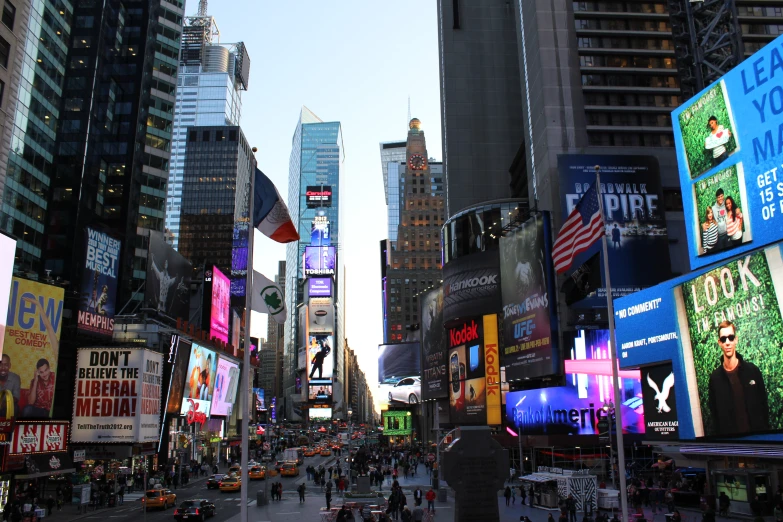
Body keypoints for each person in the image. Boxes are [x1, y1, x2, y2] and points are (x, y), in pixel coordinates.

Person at [708, 320, 769, 435]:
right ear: (719, 343)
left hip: (757, 443)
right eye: (723, 339)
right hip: (732, 448)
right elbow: (715, 418)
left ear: (736, 340)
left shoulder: (753, 371)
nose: (727, 342)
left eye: (731, 338)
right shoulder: (715, 379)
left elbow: (764, 408)